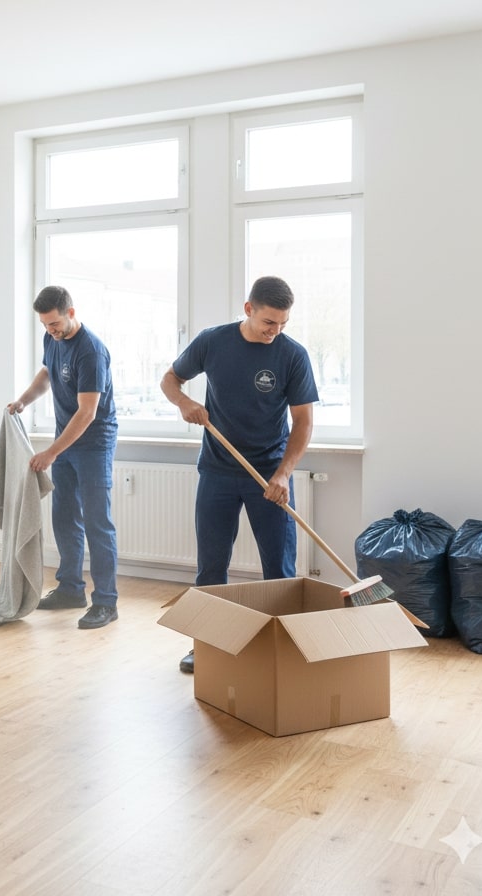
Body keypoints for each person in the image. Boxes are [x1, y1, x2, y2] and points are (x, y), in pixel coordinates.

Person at [160, 276, 319, 672]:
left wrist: (283, 474)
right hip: (217, 471)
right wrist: (183, 402)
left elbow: (302, 422)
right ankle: (207, 645)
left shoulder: (292, 355)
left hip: (269, 475)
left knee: (278, 568)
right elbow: (170, 378)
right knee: (211, 565)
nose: (275, 331)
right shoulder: (213, 342)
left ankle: (283, 646)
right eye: (269, 322)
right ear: (248, 310)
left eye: (282, 324)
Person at [8, 286, 120, 629]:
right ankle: (71, 589)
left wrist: (51, 453)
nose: (51, 331)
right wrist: (24, 401)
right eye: (45, 325)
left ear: (71, 312)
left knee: (98, 523)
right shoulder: (52, 339)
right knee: (65, 516)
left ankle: (106, 602)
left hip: (93, 444)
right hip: (67, 443)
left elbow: (87, 413)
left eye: (55, 323)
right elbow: (47, 374)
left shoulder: (91, 351)